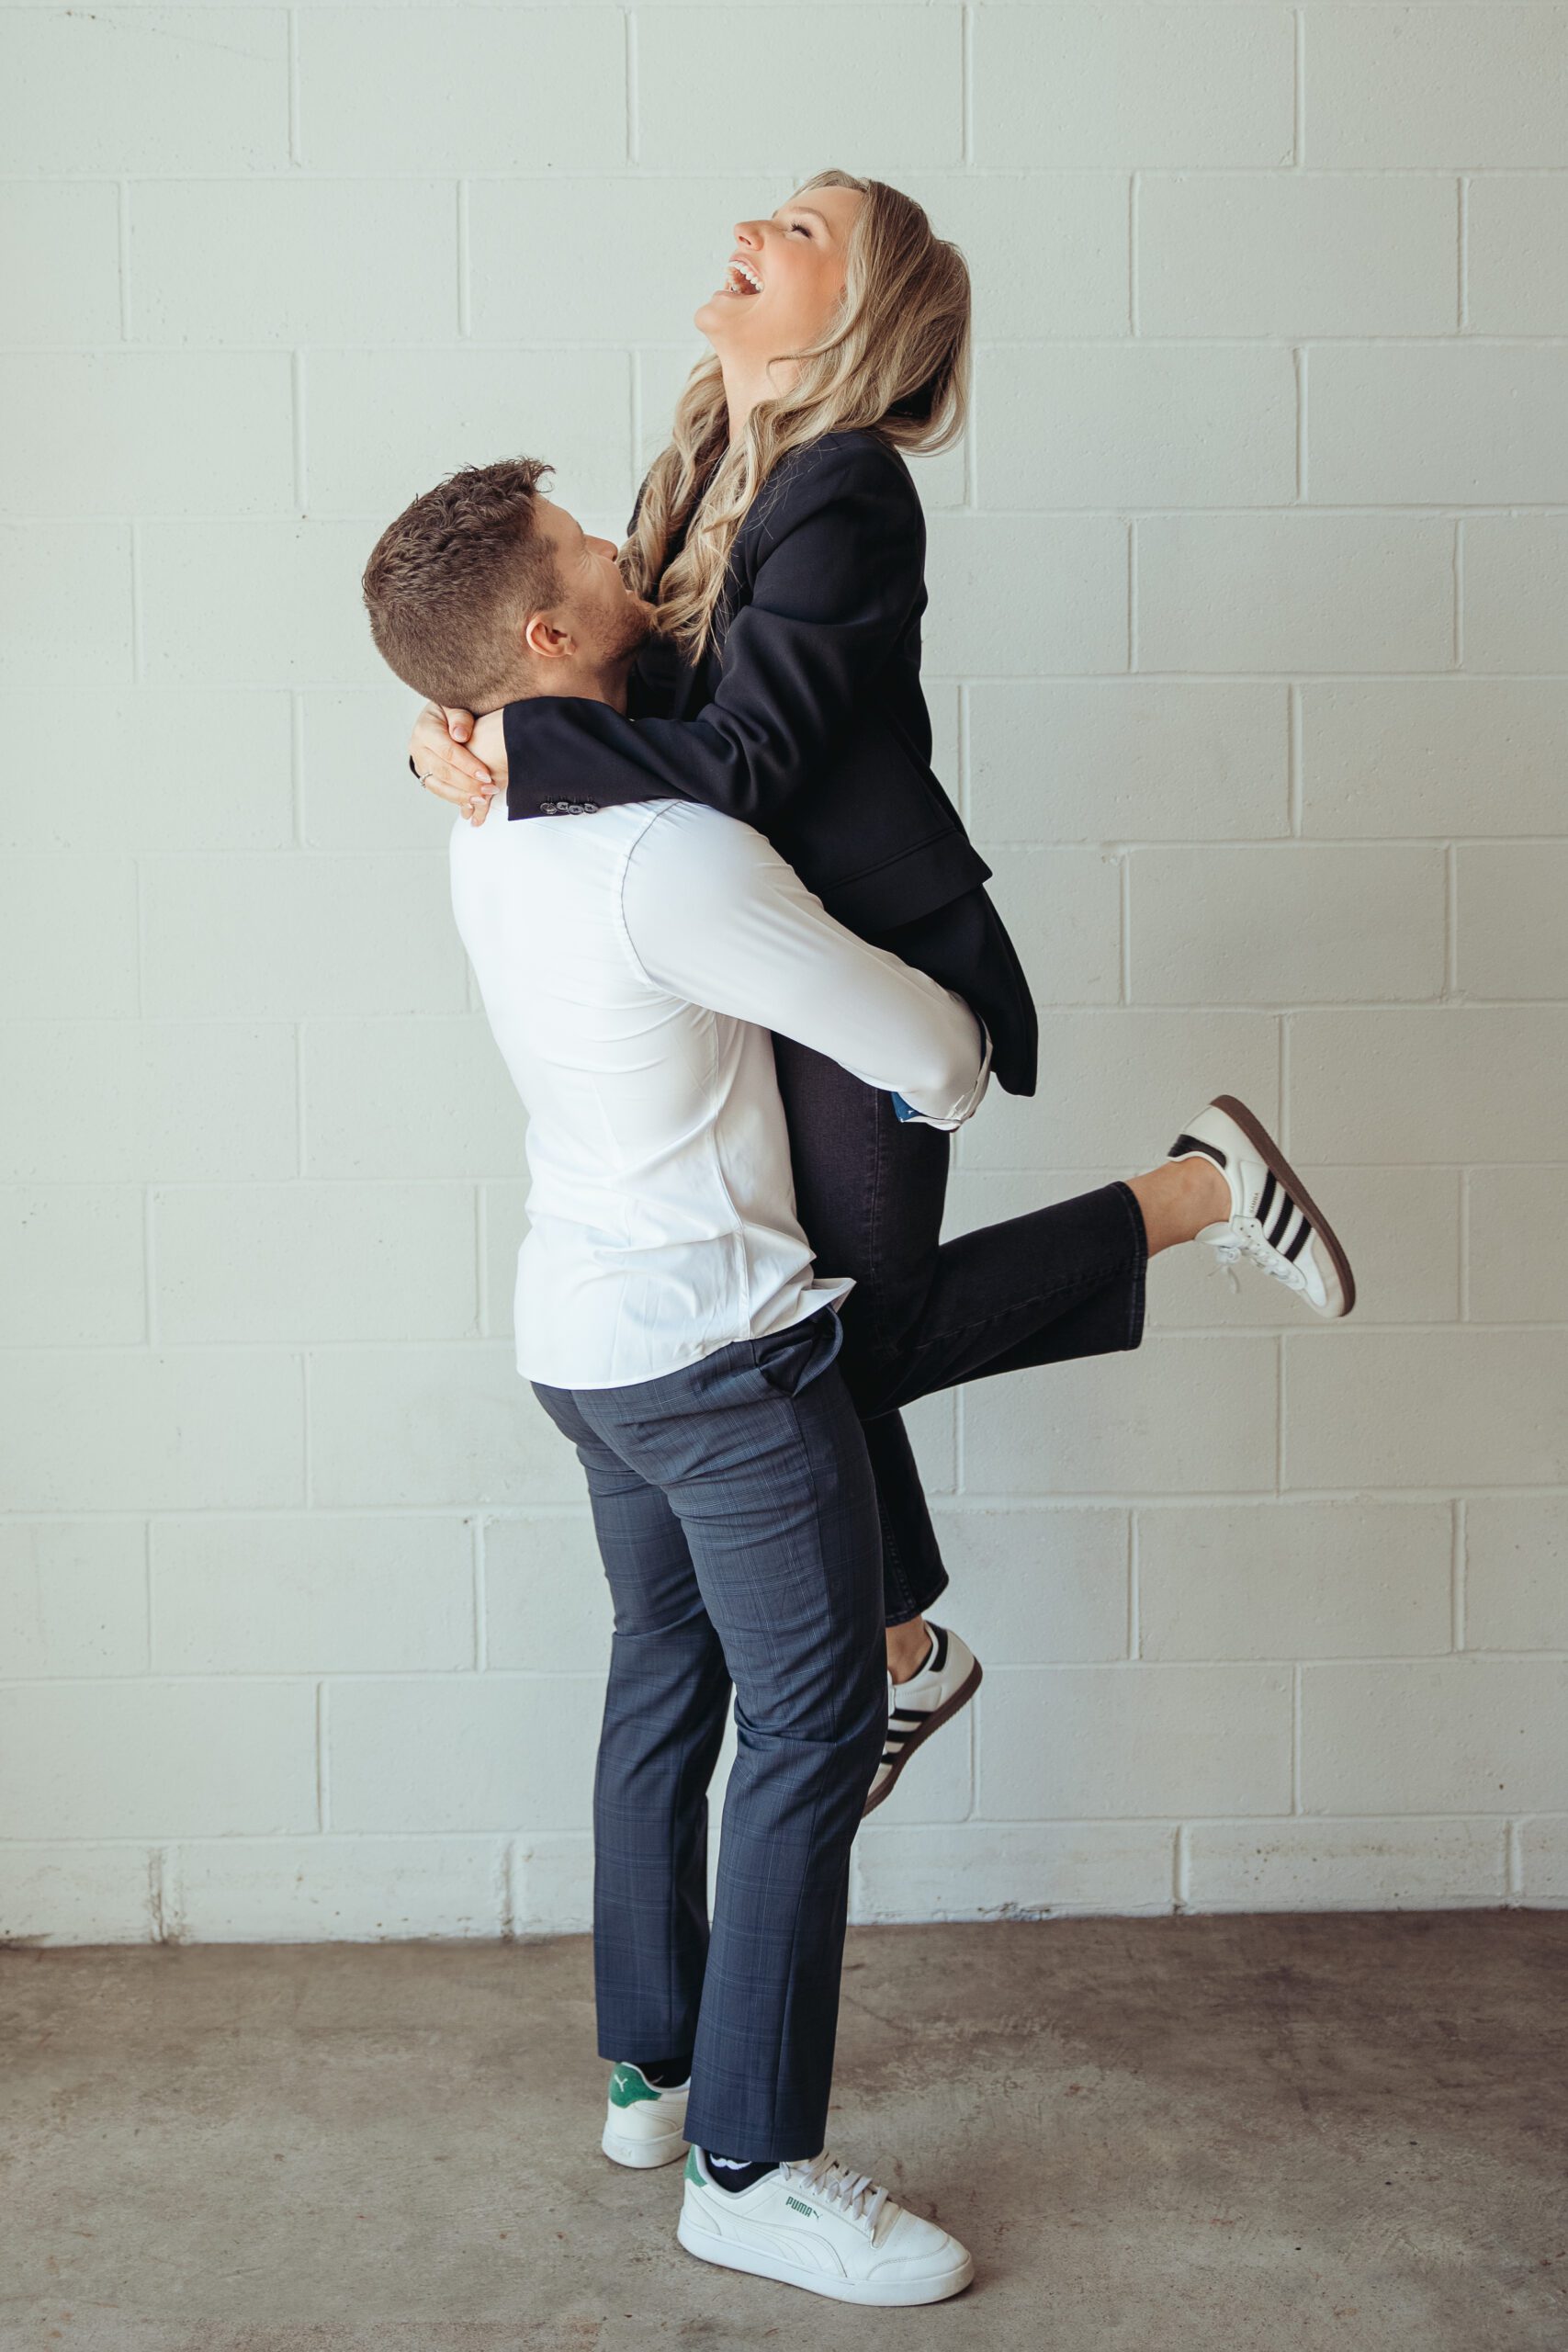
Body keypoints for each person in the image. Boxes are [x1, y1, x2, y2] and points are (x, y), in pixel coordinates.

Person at [362, 459, 1355, 2307]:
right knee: (808, 1735)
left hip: (577, 1341)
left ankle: (650, 2078)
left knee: (662, 1687)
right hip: (716, 1357)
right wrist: (928, 1053)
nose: (625, 546)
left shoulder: (481, 817)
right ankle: (750, 2164)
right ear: (548, 634)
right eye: (586, 550)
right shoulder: (673, 854)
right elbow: (937, 1055)